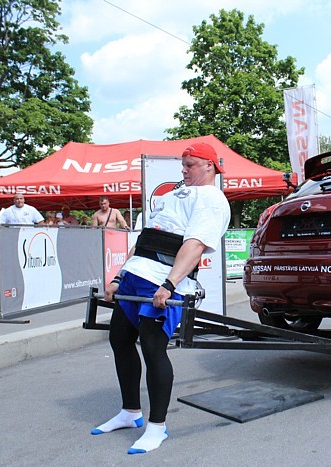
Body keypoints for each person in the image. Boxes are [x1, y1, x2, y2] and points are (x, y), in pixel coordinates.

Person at [92, 142, 230, 455]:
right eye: (183, 164)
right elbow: (145, 240)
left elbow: (194, 245)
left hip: (160, 282)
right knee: (119, 339)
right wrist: (117, 277)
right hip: (135, 275)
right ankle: (130, 413)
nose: (184, 169)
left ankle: (157, 427)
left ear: (209, 165)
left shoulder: (212, 198)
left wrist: (170, 283)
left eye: (190, 164)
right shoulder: (171, 196)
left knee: (153, 349)